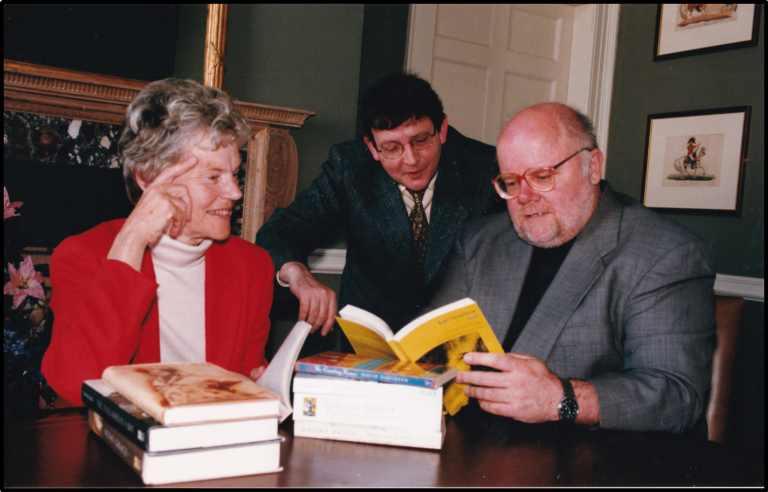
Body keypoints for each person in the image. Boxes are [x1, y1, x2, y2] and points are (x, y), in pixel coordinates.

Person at [427, 102, 715, 433]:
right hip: (467, 445)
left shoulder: (666, 253)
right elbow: (431, 348)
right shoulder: (479, 240)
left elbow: (677, 395)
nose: (524, 196)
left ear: (593, 167)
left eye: (541, 176)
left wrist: (558, 398)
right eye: (510, 181)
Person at [41, 78, 274, 406]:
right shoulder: (83, 255)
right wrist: (133, 238)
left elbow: (246, 380)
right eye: (212, 177)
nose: (235, 192)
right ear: (149, 178)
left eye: (235, 173)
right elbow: (75, 383)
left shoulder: (253, 265)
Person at [256, 73, 505, 337]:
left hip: (457, 344)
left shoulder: (487, 169)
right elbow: (282, 230)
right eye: (392, 148)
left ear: (442, 129)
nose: (411, 159)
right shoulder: (349, 168)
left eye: (421, 140)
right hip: (369, 344)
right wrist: (298, 274)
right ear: (372, 147)